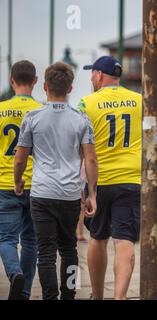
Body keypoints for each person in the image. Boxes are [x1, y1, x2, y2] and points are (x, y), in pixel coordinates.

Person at [14, 62, 98, 300]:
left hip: (41, 193)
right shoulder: (81, 119)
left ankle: (50, 296)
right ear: (70, 88)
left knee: (46, 253)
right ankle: (68, 295)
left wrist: (18, 182)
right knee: (69, 249)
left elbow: (20, 159)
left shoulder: (32, 118)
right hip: (70, 195)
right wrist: (91, 193)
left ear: (44, 86)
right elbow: (90, 160)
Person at [79, 56, 142, 300]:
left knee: (97, 237)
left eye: (92, 73)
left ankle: (97, 295)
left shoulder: (87, 103)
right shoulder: (139, 101)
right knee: (124, 240)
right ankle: (120, 296)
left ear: (98, 75)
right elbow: (153, 136)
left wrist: (85, 190)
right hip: (131, 178)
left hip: (100, 180)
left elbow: (80, 145)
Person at [0, 60, 40, 300]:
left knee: (6, 239)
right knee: (31, 241)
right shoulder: (41, 110)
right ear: (35, 82)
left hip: (5, 183)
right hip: (36, 184)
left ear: (11, 80)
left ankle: (14, 273)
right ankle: (23, 293)